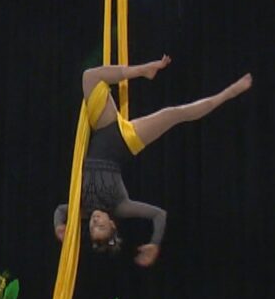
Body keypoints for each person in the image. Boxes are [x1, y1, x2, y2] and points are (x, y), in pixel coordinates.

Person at [54, 58, 252, 266]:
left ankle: (144, 70)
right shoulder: (121, 207)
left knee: (90, 76)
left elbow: (60, 210)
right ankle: (229, 93)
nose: (95, 222)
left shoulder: (82, 208)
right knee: (176, 114)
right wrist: (154, 243)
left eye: (93, 228)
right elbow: (159, 215)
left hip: (103, 126)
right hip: (126, 141)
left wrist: (59, 226)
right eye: (101, 226)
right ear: (112, 223)